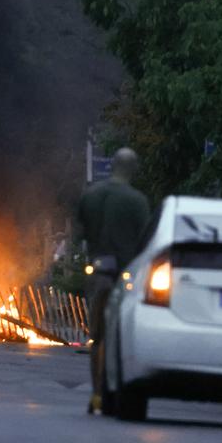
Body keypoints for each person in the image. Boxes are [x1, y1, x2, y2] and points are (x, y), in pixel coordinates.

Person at [78, 147, 150, 415]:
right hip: (125, 277)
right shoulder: (138, 201)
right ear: (133, 169)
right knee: (120, 335)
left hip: (97, 273)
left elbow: (83, 232)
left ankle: (96, 395)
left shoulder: (91, 195)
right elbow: (143, 240)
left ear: (112, 166)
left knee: (96, 337)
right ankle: (115, 389)